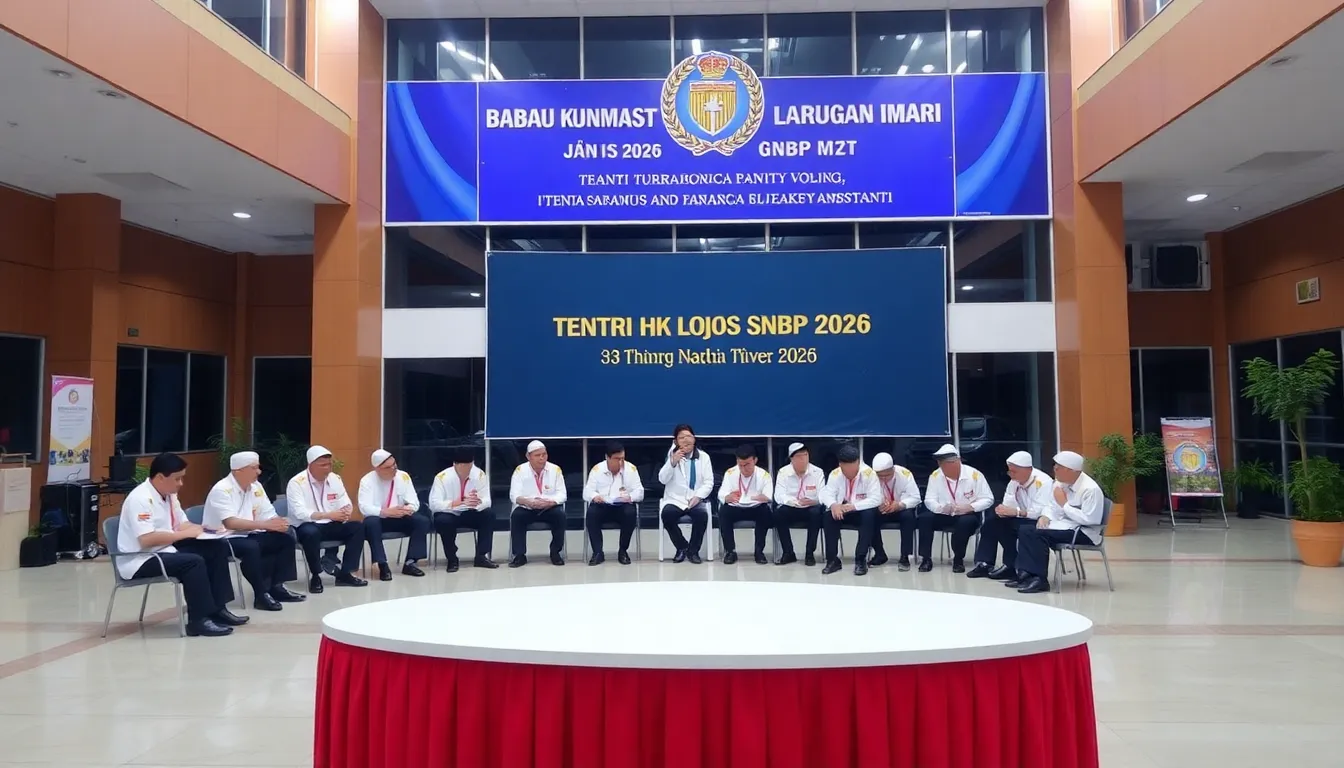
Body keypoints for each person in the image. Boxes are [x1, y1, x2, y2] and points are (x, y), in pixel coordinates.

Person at [116, 453, 247, 637]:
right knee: (193, 562)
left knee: (216, 548)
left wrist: (204, 529)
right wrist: (184, 534)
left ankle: (218, 609)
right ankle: (198, 620)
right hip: (141, 558)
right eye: (177, 479)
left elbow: (181, 523)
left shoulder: (169, 495)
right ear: (160, 477)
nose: (181, 484)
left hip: (166, 549)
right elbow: (146, 539)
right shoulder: (140, 498)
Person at [202, 451, 306, 611]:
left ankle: (277, 586)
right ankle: (261, 594)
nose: (259, 472)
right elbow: (231, 523)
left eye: (258, 467)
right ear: (238, 471)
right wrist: (265, 525)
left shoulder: (256, 486)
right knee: (251, 547)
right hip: (223, 537)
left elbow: (267, 512)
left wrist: (278, 522)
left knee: (284, 539)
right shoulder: (222, 490)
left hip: (250, 532)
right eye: (254, 468)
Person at [1011, 451, 1106, 594]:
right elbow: (1051, 505)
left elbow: (1091, 520)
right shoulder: (1060, 483)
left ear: (1071, 470)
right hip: (1063, 525)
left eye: (1058, 468)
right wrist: (1045, 516)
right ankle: (1026, 574)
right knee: (1026, 529)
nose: (1054, 470)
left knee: (1037, 535)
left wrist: (1065, 505)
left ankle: (1039, 579)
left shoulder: (1090, 489)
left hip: (1083, 532)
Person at [285, 445, 367, 592]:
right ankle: (316, 575)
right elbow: (299, 512)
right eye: (323, 465)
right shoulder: (297, 482)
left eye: (329, 464)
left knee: (358, 527)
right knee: (310, 533)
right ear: (311, 465)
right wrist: (328, 515)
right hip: (307, 525)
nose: (327, 469)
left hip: (330, 523)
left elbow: (345, 501)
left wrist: (345, 511)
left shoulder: (334, 478)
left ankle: (345, 573)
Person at [967, 451, 1053, 581]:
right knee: (992, 522)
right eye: (1009, 471)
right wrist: (1002, 510)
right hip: (1021, 517)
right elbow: (1008, 501)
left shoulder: (1044, 482)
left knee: (1023, 530)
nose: (1011, 475)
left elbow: (1040, 510)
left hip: (1038, 520)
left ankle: (1018, 568)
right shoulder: (1014, 481)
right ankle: (985, 563)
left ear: (1028, 470)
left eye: (1014, 472)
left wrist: (1016, 512)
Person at [919, 444, 994, 573]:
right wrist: (940, 508)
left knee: (965, 522)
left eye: (946, 464)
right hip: (944, 513)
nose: (942, 468)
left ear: (957, 462)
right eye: (941, 464)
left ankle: (958, 559)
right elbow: (929, 499)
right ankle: (926, 558)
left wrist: (970, 507)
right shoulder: (935, 476)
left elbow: (988, 499)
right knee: (924, 519)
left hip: (968, 514)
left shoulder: (974, 475)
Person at [357, 449, 429, 581]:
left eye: (394, 465)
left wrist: (406, 509)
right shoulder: (367, 481)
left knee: (421, 521)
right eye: (388, 467)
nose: (393, 469)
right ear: (377, 469)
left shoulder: (403, 476)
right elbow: (364, 507)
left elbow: (414, 502)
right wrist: (384, 511)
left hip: (400, 517)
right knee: (370, 522)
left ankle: (411, 562)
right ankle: (382, 564)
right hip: (380, 519)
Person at [428, 447, 497, 572]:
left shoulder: (479, 475)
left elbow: (487, 501)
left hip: (470, 512)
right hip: (449, 513)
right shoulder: (442, 477)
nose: (466, 471)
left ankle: (481, 556)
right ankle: (452, 558)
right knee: (443, 521)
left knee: (488, 514)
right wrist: (456, 503)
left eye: (469, 467)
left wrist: (477, 502)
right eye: (463, 467)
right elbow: (434, 504)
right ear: (455, 464)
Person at [819, 444, 881, 576]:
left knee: (869, 515)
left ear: (858, 462)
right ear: (840, 465)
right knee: (828, 516)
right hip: (842, 510)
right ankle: (832, 560)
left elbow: (876, 499)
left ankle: (861, 559)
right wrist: (833, 505)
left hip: (860, 510)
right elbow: (827, 494)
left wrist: (854, 506)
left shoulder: (869, 474)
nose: (850, 473)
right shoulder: (835, 474)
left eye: (853, 468)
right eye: (846, 469)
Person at [658, 424, 714, 564]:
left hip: (695, 498)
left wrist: (698, 496)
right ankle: (682, 547)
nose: (686, 440)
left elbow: (709, 482)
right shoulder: (671, 456)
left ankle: (693, 551)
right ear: (675, 441)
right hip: (675, 499)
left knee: (701, 516)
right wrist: (672, 462)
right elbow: (662, 479)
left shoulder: (704, 457)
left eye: (689, 436)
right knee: (667, 515)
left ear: (694, 439)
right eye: (681, 437)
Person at [582, 441, 644, 565]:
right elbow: (587, 492)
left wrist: (630, 497)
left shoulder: (631, 469)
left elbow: (640, 492)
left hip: (622, 506)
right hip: (603, 505)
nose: (620, 462)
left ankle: (623, 551)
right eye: (617, 459)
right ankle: (598, 553)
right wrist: (595, 496)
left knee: (630, 513)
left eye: (622, 458)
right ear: (607, 457)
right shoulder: (597, 469)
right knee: (592, 513)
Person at [508, 440, 568, 567]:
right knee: (517, 516)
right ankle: (519, 555)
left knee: (560, 515)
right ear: (528, 456)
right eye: (537, 455)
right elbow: (514, 495)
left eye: (544, 454)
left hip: (548, 507)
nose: (542, 458)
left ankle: (555, 553)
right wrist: (527, 501)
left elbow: (562, 494)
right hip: (527, 507)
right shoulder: (520, 470)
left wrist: (551, 502)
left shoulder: (555, 469)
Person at [717, 443, 773, 565]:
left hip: (755, 507)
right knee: (724, 512)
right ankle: (730, 551)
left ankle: (759, 551)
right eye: (740, 465)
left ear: (755, 460)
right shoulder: (730, 473)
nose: (743, 468)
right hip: (736, 507)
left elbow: (768, 496)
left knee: (765, 512)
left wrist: (761, 498)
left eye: (747, 464)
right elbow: (722, 494)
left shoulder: (763, 475)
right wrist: (727, 497)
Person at [867, 452, 922, 571]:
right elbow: (868, 496)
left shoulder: (904, 474)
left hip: (900, 509)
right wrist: (878, 503)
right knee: (869, 516)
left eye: (887, 475)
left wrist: (900, 505)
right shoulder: (871, 476)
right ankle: (880, 554)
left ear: (893, 469)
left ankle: (905, 557)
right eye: (880, 476)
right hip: (882, 509)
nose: (883, 479)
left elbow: (916, 497)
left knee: (908, 516)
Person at [773, 442, 825, 566]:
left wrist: (815, 500)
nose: (803, 459)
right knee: (779, 513)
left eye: (805, 455)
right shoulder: (783, 472)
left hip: (811, 507)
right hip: (792, 507)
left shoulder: (817, 472)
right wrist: (794, 502)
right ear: (791, 459)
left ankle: (809, 553)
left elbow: (823, 494)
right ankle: (788, 552)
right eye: (799, 456)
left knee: (816, 513)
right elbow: (778, 495)